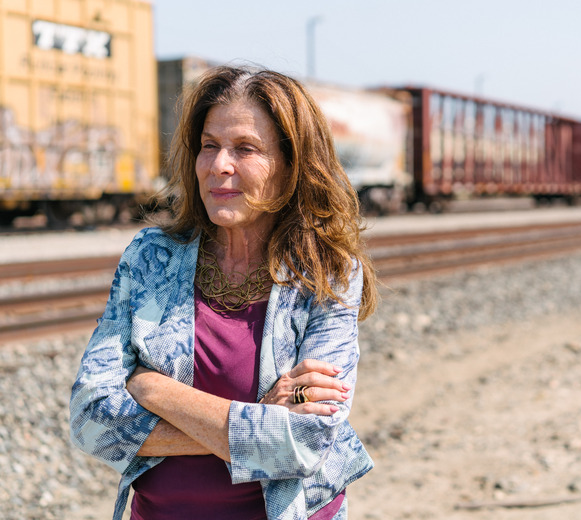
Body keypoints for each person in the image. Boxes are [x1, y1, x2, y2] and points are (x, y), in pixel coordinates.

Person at [70, 66, 377, 520]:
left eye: (245, 148)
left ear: (292, 165)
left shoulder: (327, 273)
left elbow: (306, 442)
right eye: (209, 145)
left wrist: (150, 388)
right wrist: (258, 415)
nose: (219, 165)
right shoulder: (151, 257)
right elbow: (90, 420)